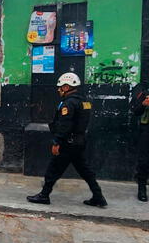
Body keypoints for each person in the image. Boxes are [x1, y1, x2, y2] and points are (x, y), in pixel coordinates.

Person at [27, 72, 107, 207]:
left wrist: (57, 141)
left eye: (60, 87)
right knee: (85, 171)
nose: (58, 90)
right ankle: (98, 196)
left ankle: (44, 195)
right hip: (79, 142)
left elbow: (65, 124)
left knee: (53, 170)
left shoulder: (68, 104)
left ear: (66, 87)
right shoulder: (84, 102)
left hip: (67, 143)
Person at [131, 86, 149, 202]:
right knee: (144, 161)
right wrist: (143, 104)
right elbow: (135, 111)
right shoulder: (145, 92)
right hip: (147, 130)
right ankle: (142, 188)